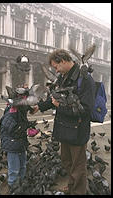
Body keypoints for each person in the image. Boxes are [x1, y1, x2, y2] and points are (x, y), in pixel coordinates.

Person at [32, 49, 95, 195]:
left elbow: (86, 109)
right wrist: (39, 106)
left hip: (78, 129)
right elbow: (55, 97)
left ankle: (78, 191)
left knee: (78, 166)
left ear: (64, 61)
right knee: (66, 161)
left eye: (56, 67)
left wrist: (61, 106)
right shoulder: (63, 77)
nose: (56, 70)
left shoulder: (85, 79)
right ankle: (72, 185)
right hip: (65, 127)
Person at [0, 88, 32, 194]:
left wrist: (29, 127)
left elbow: (22, 122)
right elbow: (7, 124)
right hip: (12, 143)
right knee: (14, 170)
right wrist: (23, 128)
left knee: (23, 166)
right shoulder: (12, 109)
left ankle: (20, 185)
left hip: (20, 142)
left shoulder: (21, 109)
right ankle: (13, 189)